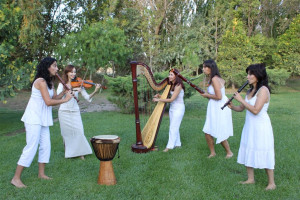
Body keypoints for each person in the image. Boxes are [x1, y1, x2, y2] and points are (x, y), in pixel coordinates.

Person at [11, 57, 73, 188]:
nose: (57, 69)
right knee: (31, 147)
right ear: (47, 67)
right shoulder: (40, 82)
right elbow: (48, 102)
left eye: (57, 66)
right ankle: (16, 178)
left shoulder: (49, 82)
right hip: (33, 118)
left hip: (43, 118)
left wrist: (64, 91)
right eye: (54, 66)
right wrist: (66, 100)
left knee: (46, 145)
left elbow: (54, 97)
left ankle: (41, 174)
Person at [228, 63, 276, 190]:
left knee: (264, 150)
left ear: (258, 75)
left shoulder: (263, 90)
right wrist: (232, 107)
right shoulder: (250, 90)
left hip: (261, 126)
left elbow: (255, 110)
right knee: (248, 147)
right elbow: (242, 108)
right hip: (250, 126)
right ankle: (250, 179)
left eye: (250, 74)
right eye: (247, 73)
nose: (247, 76)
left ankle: (271, 183)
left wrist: (240, 99)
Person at [57, 65, 101, 160]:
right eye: (71, 72)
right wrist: (69, 90)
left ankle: (81, 152)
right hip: (64, 111)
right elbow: (58, 97)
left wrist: (95, 91)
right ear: (66, 73)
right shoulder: (62, 84)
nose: (73, 74)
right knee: (66, 133)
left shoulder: (79, 83)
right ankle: (69, 151)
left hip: (75, 111)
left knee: (79, 131)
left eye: (74, 72)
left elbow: (88, 98)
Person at [200, 59, 234, 158]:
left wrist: (207, 95)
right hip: (215, 106)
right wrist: (208, 95)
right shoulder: (215, 78)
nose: (203, 69)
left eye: (205, 67)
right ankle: (212, 153)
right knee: (208, 130)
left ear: (211, 68)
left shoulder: (215, 79)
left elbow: (219, 97)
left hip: (219, 107)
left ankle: (229, 152)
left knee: (219, 129)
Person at [153, 69, 185, 152]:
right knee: (174, 126)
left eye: (171, 75)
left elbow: (171, 99)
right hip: (172, 108)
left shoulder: (179, 86)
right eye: (169, 74)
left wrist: (158, 100)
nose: (169, 76)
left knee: (173, 127)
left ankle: (169, 146)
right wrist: (160, 96)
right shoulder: (172, 85)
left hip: (178, 108)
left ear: (176, 76)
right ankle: (178, 144)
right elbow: (169, 97)